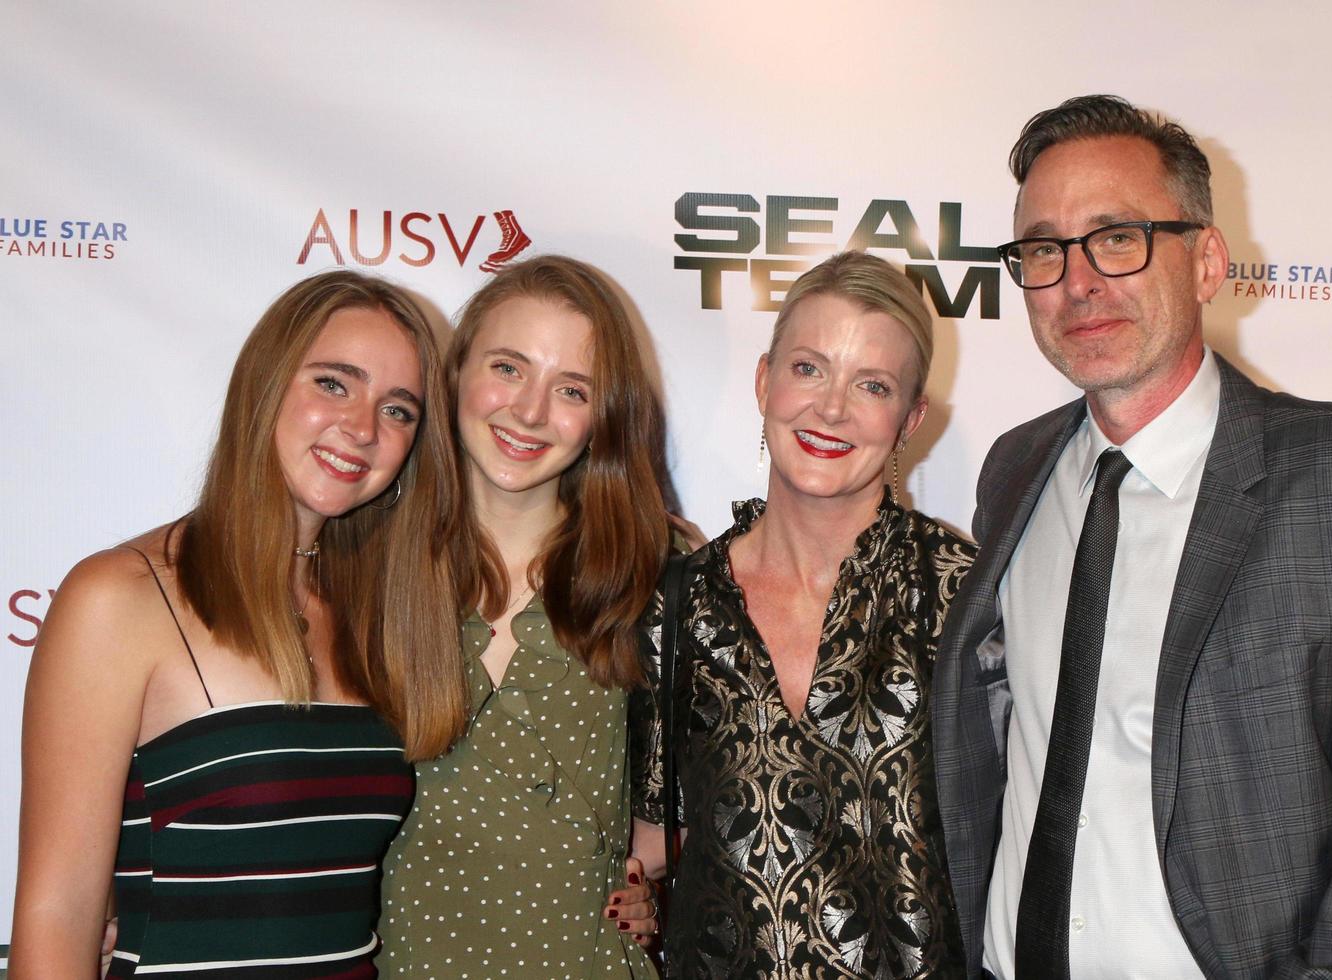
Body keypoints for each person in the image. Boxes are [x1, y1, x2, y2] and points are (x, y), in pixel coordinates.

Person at [931, 93, 1332, 979]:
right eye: (1042, 249)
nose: (1078, 281)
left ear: (1208, 260)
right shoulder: (1016, 468)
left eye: (1117, 237)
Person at [10, 270, 464, 977]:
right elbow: (58, 912)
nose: (364, 428)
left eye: (399, 410)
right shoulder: (122, 597)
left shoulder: (376, 617)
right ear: (266, 382)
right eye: (334, 383)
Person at [630, 250, 976, 978]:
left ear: (910, 418)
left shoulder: (962, 594)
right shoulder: (679, 603)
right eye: (808, 368)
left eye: (871, 385)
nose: (831, 408)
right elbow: (652, 839)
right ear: (765, 381)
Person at [375, 255, 666, 978]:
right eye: (508, 368)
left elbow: (723, 788)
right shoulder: (365, 565)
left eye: (571, 388)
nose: (531, 412)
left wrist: (653, 874)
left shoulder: (654, 573)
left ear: (606, 415)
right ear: (454, 373)